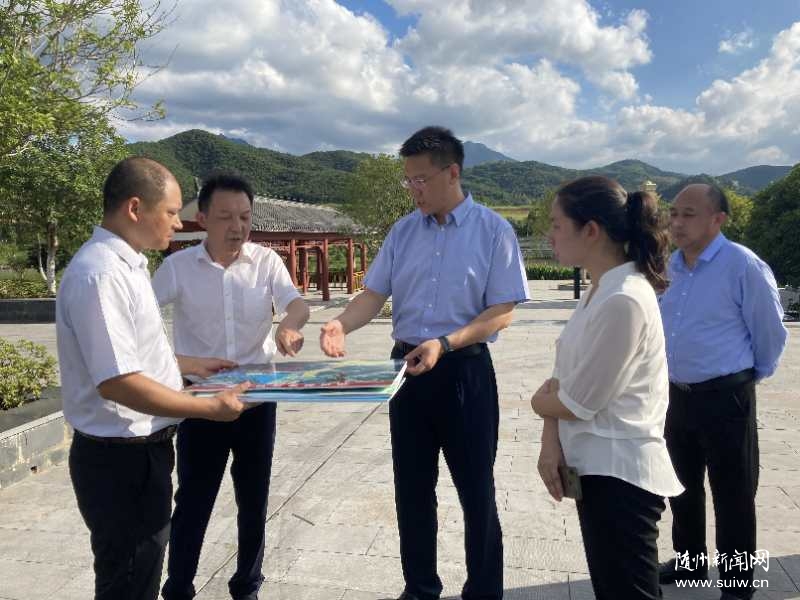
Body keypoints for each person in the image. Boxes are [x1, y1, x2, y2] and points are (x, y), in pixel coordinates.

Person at [319, 126, 529, 600]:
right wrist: (340, 324)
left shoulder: (493, 230)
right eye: (408, 180)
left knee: (477, 491)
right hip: (407, 372)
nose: (413, 189)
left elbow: (502, 311)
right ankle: (419, 588)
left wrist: (445, 343)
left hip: (464, 371)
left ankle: (484, 591)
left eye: (421, 179)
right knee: (412, 489)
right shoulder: (403, 231)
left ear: (452, 172)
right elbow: (373, 294)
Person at [57, 157, 250, 600]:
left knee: (139, 575)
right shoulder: (101, 275)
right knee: (129, 582)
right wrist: (208, 407)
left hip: (139, 454)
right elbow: (117, 381)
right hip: (121, 461)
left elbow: (131, 355)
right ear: (134, 208)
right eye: (171, 212)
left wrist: (190, 364)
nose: (179, 223)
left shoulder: (128, 266)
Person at [153, 172, 309, 600]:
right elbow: (139, 322)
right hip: (202, 402)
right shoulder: (178, 267)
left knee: (254, 499)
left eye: (244, 216)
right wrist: (180, 363)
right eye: (225, 217)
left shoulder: (266, 261)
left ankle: (247, 586)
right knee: (194, 499)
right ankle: (179, 587)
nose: (237, 227)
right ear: (203, 218)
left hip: (257, 399)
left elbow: (296, 304)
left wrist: (289, 327)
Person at [530, 176, 684, 600]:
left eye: (557, 224)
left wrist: (537, 403)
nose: (550, 235)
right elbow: (563, 380)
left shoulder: (624, 299)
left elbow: (578, 401)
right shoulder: (600, 289)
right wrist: (549, 440)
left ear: (591, 230)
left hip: (621, 476)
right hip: (597, 469)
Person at [658, 184, 787, 600]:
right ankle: (690, 561)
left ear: (718, 219)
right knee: (681, 485)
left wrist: (747, 377)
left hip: (726, 396)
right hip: (676, 394)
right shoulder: (670, 266)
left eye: (689, 214)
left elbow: (769, 331)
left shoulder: (742, 265)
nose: (677, 223)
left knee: (733, 494)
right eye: (674, 213)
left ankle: (736, 585)